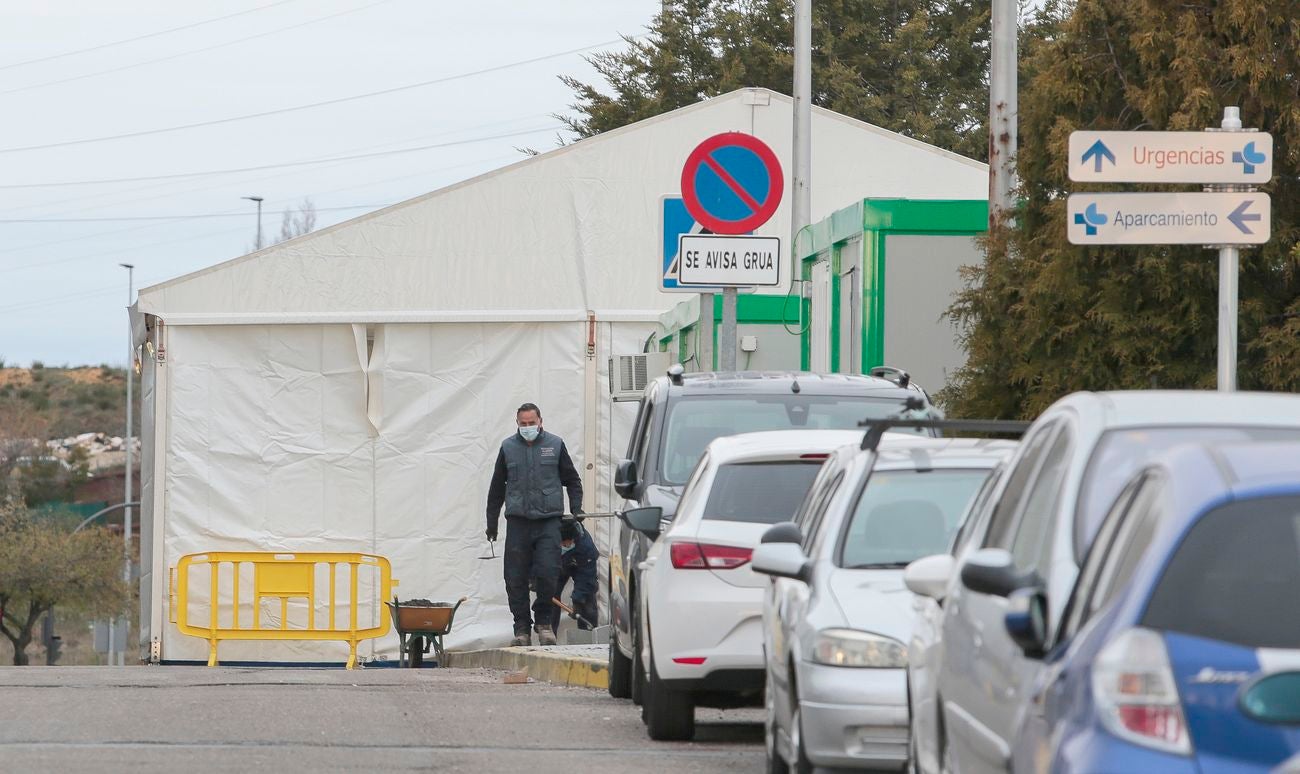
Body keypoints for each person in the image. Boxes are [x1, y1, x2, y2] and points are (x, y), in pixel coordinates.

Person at [485, 402, 583, 646]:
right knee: (514, 577)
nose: (527, 427)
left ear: (540, 422)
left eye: (532, 423)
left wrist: (576, 508)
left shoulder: (555, 445)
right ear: (517, 423)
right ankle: (521, 628)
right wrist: (491, 523)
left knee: (549, 573)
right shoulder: (508, 448)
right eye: (523, 424)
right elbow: (496, 489)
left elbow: (572, 480)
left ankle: (544, 623)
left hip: (548, 521)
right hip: (518, 523)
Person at [549, 517, 599, 634]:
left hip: (579, 566)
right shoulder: (547, 541)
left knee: (586, 599)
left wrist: (577, 600)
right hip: (555, 566)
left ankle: (587, 635)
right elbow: (534, 558)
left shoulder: (585, 546)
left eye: (570, 542)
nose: (567, 545)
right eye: (564, 543)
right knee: (550, 596)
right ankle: (549, 635)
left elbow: (587, 576)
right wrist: (534, 578)